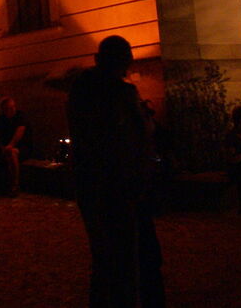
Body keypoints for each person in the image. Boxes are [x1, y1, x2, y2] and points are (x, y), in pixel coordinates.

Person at [67, 35, 164, 307]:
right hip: (123, 186)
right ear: (125, 61)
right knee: (131, 258)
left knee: (104, 258)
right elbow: (139, 135)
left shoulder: (81, 89)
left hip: (91, 184)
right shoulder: (121, 93)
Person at [0, 97, 31, 196]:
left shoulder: (20, 116)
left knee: (11, 153)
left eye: (13, 107)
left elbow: (20, 132)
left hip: (22, 147)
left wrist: (10, 145)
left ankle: (14, 185)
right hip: (5, 147)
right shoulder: (0, 119)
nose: (12, 110)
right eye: (8, 108)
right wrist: (1, 147)